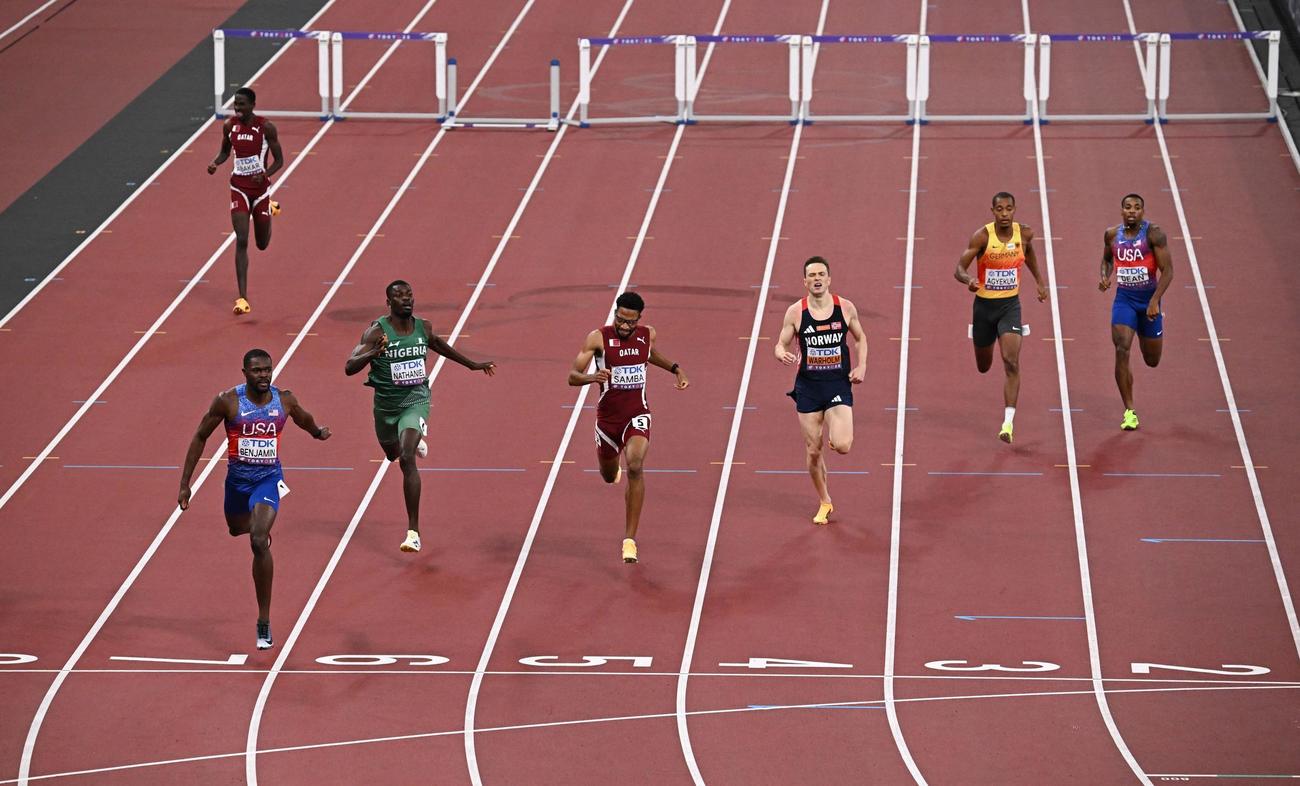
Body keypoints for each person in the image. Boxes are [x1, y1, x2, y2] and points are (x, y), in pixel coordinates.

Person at [178, 349, 331, 650]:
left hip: (268, 480)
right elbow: (200, 436)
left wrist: (317, 432)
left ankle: (263, 620)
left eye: (267, 370)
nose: (263, 375)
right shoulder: (228, 402)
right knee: (237, 529)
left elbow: (303, 417)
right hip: (237, 484)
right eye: (257, 370)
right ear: (245, 373)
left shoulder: (283, 400)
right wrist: (185, 484)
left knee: (258, 540)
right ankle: (257, 527)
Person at [345, 280, 496, 553]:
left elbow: (438, 345)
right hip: (385, 406)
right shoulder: (376, 331)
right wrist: (372, 352)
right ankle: (410, 440)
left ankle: (413, 531)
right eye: (399, 297)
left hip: (416, 399)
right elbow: (349, 367)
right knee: (392, 454)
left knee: (406, 458)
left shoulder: (422, 327)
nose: (406, 300)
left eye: (409, 295)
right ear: (388, 303)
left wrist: (473, 365)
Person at [568, 292, 689, 563]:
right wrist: (591, 377)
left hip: (637, 414)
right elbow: (571, 377)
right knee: (609, 475)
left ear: (639, 320)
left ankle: (629, 540)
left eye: (630, 323)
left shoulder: (648, 334)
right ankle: (613, 471)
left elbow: (648, 354)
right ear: (615, 314)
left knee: (636, 465)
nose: (624, 326)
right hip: (608, 422)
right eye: (620, 320)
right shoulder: (597, 338)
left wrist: (675, 368)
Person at [774, 256, 868, 525]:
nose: (816, 278)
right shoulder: (795, 312)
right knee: (813, 450)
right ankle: (825, 501)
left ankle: (834, 434)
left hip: (837, 383)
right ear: (804, 281)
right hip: (808, 387)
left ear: (828, 279)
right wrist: (781, 354)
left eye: (821, 274)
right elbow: (780, 343)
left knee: (843, 446)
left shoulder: (845, 308)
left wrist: (862, 366)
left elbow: (861, 338)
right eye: (811, 275)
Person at [954, 192, 1048, 444]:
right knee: (984, 366)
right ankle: (985, 340)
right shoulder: (982, 236)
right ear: (993, 211)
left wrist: (1040, 282)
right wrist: (969, 280)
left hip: (1010, 306)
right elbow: (959, 268)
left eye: (1009, 209)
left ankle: (1008, 423)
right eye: (999, 209)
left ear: (1014, 209)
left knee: (1011, 361)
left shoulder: (1024, 234)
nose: (1004, 214)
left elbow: (1029, 255)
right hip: (984, 308)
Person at [1099, 193, 1173, 430]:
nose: (1132, 211)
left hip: (1148, 301)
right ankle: (1129, 411)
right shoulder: (1112, 235)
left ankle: (1147, 328)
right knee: (1121, 347)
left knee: (1152, 360)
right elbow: (1107, 260)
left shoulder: (1154, 234)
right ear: (1122, 211)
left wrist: (1155, 301)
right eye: (1128, 207)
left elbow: (1168, 271)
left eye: (1137, 208)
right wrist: (1104, 276)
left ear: (1143, 211)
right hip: (1125, 300)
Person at [207, 87, 284, 316]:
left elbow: (280, 160)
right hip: (238, 188)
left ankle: (268, 210)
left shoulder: (266, 127)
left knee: (261, 244)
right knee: (241, 239)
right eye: (235, 105)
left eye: (242, 105)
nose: (238, 109)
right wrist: (215, 163)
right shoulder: (230, 126)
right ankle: (242, 297)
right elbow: (224, 152)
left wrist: (266, 174)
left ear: (252, 105)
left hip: (260, 191)